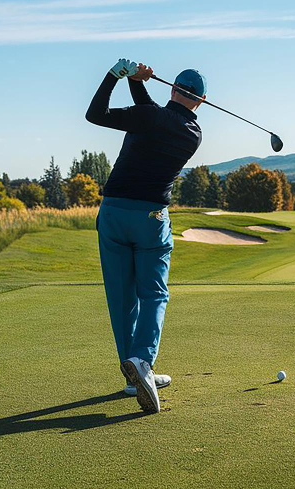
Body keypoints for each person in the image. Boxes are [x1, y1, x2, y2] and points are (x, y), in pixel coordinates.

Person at [85, 59, 206, 413]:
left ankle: (132, 374)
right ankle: (142, 362)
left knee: (121, 298)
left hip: (113, 213)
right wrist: (136, 83)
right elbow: (155, 116)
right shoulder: (192, 134)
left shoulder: (149, 117)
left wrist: (116, 76)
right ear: (201, 100)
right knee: (153, 293)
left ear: (172, 89)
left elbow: (97, 114)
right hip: (150, 218)